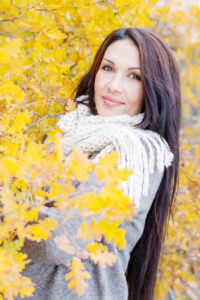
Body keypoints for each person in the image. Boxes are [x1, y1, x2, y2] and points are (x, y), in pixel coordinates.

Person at [17, 27, 181, 300]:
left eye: (134, 76)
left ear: (153, 89)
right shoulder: (64, 135)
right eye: (107, 68)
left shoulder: (137, 152)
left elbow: (59, 238)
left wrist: (16, 215)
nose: (114, 85)